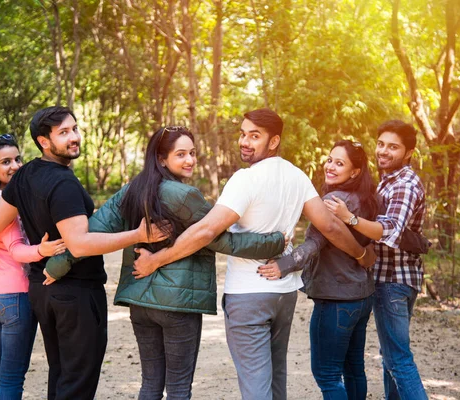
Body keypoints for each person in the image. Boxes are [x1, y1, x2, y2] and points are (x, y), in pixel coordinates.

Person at [131, 109, 377, 400]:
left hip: (249, 294)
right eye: (243, 134)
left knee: (256, 389)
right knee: (275, 383)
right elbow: (331, 227)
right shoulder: (296, 176)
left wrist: (156, 260)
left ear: (273, 142)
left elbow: (206, 231)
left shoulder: (245, 179)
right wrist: (361, 254)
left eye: (254, 136)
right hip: (284, 295)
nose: (245, 142)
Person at [44, 125, 286, 399]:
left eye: (192, 153)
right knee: (179, 390)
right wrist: (275, 242)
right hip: (177, 305)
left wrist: (57, 265)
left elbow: (93, 230)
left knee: (150, 385)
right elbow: (222, 240)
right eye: (181, 154)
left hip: (139, 302)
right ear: (161, 159)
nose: (190, 160)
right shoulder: (185, 196)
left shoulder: (132, 190)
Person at [0, 106, 168, 400]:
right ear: (43, 141)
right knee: (75, 384)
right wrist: (139, 234)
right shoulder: (62, 182)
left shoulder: (25, 175)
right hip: (74, 294)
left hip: (43, 292)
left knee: (62, 377)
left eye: (74, 129)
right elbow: (80, 244)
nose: (74, 137)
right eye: (63, 132)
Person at [258, 139, 378, 400]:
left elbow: (314, 243)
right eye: (330, 160)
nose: (331, 167)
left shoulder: (334, 201)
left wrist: (284, 265)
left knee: (327, 373)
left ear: (355, 171)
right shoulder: (365, 198)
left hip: (337, 299)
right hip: (363, 296)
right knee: (354, 368)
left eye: (340, 163)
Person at [325, 120, 428, 400]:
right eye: (381, 144)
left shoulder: (405, 185)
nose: (383, 151)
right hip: (388, 278)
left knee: (397, 358)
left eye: (393, 147)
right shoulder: (388, 181)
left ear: (408, 153)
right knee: (390, 357)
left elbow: (390, 230)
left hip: (394, 279)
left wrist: (350, 218)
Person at [0, 134, 66, 400]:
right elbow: (15, 249)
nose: (14, 166)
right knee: (11, 380)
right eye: (5, 161)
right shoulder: (2, 199)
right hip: (14, 298)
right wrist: (41, 251)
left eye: (17, 159)